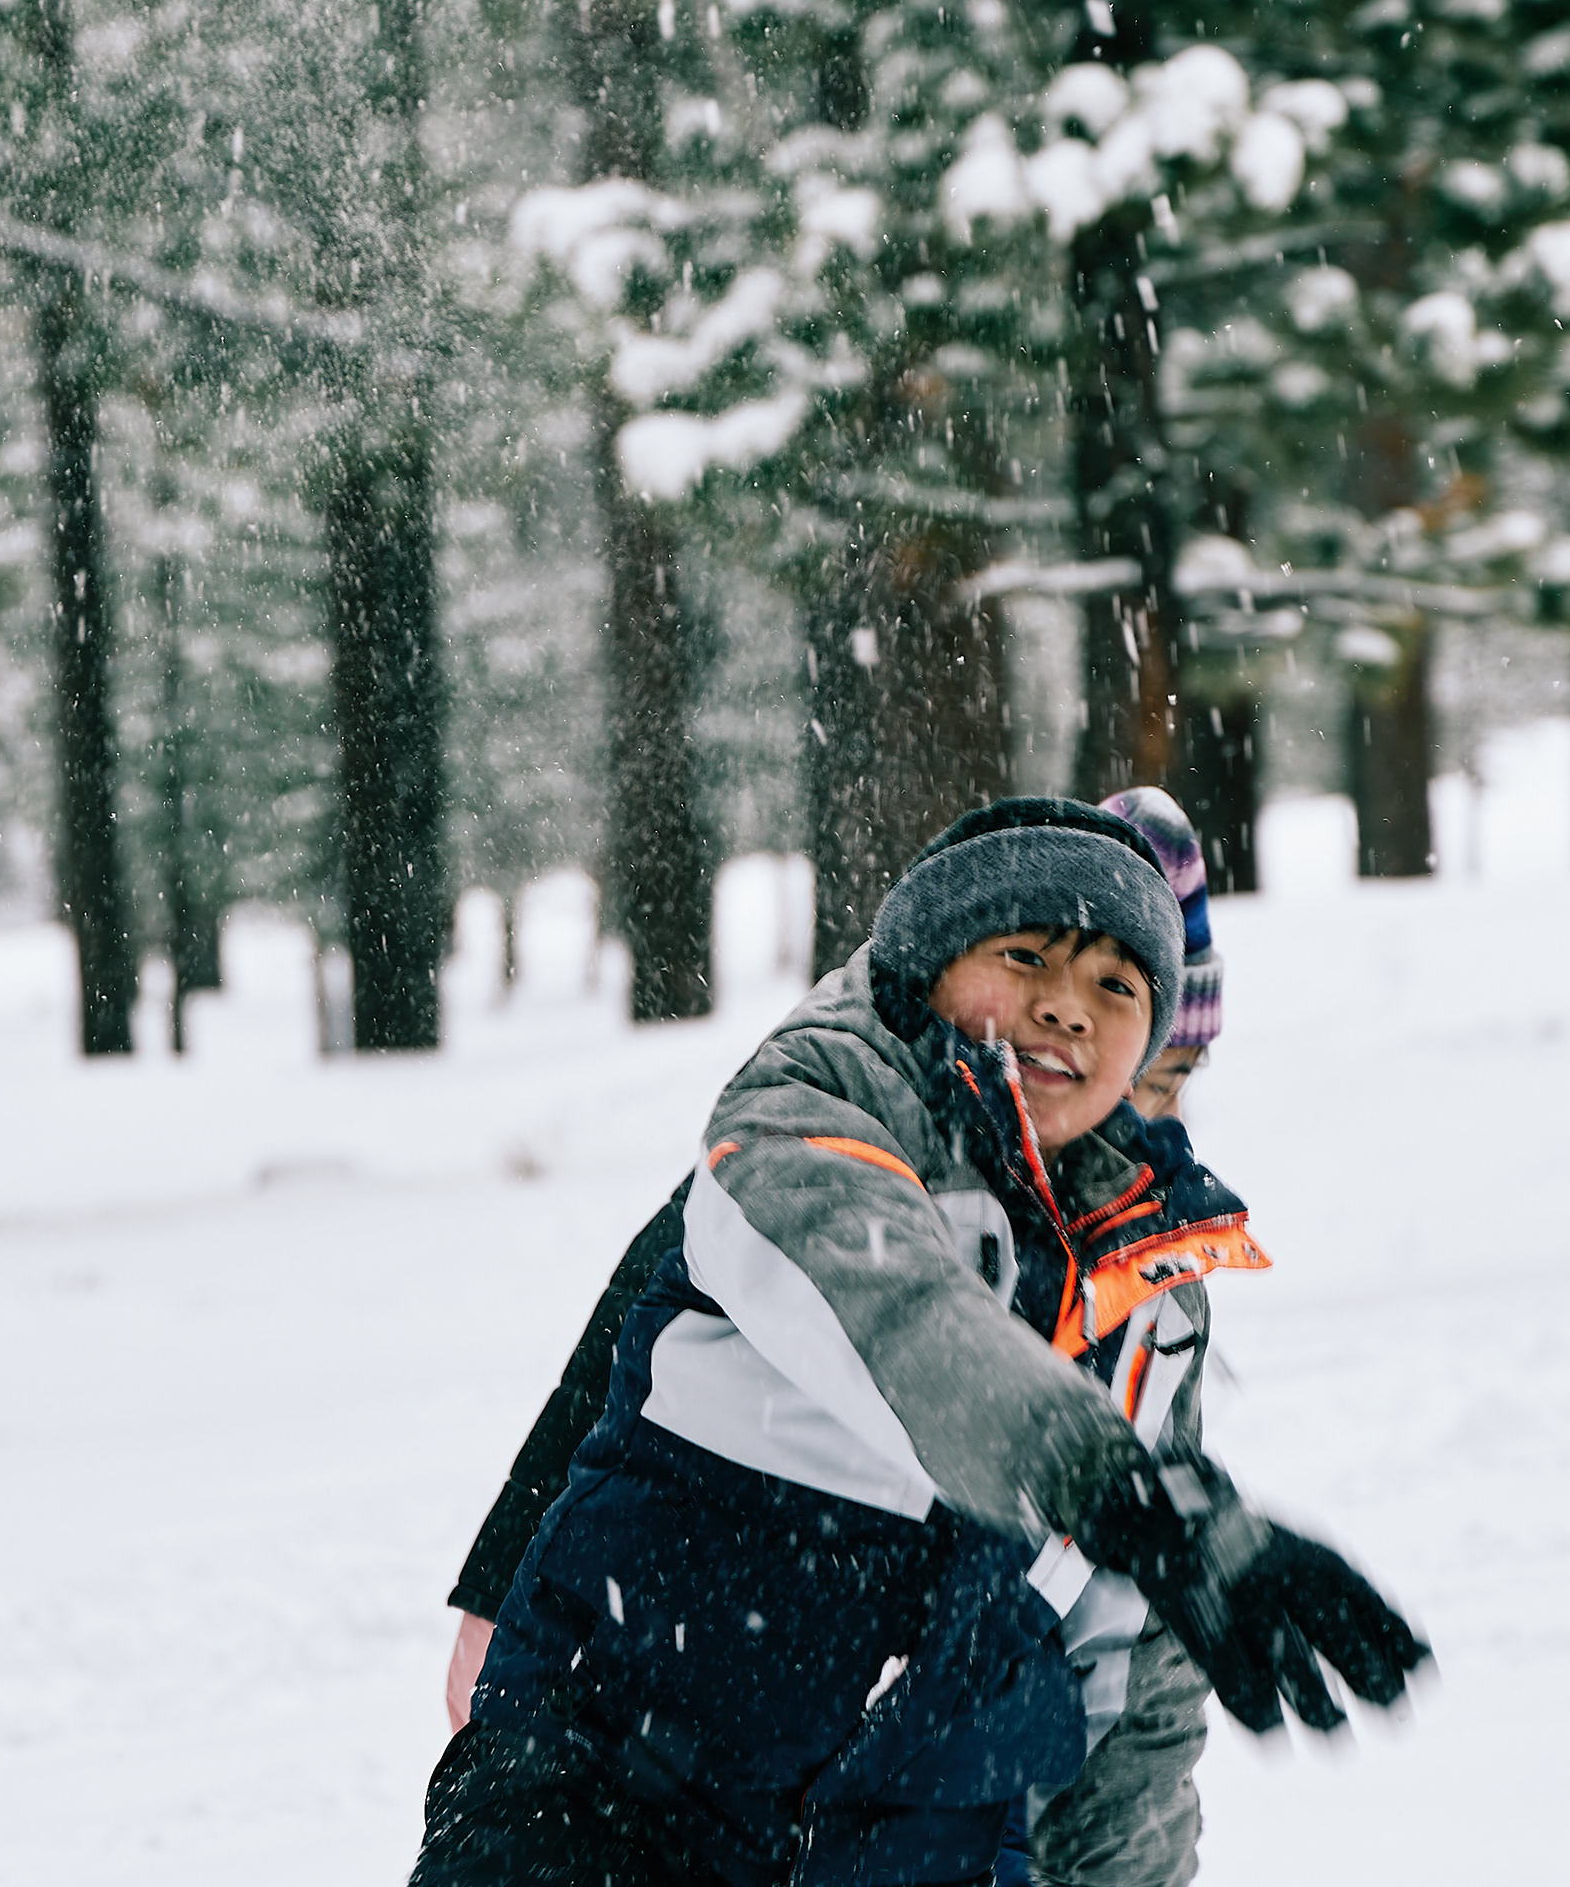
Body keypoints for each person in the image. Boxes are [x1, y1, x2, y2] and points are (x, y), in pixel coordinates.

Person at [413, 797, 1427, 1887]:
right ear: (935, 962)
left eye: (1128, 1006)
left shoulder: (1147, 1287)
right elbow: (891, 1322)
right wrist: (496, 1579)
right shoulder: (820, 1113)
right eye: (1028, 958)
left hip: (899, 1832)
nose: (1073, 1020)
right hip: (620, 1784)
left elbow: (1127, 1664)